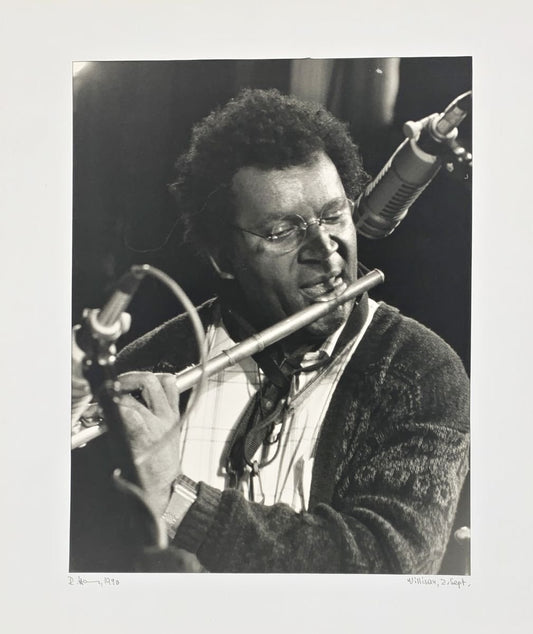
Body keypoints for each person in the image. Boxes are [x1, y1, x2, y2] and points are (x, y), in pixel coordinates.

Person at [80, 88, 470, 573]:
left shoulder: (418, 369)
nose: (325, 249)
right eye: (283, 231)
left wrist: (176, 498)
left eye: (333, 215)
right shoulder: (158, 360)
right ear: (224, 258)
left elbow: (392, 565)